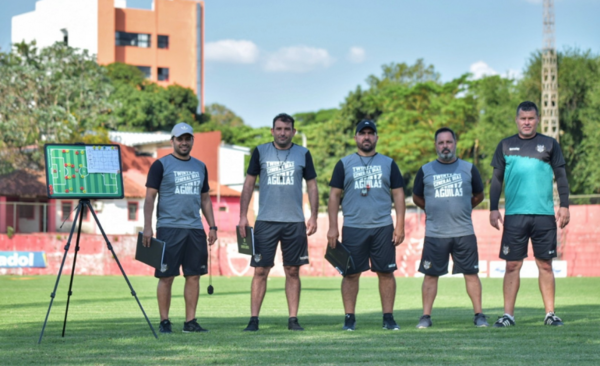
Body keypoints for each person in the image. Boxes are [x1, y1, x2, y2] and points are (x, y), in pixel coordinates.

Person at [489, 101, 570, 327]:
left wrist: (565, 205)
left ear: (538, 120)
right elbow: (496, 180)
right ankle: (508, 315)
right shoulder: (505, 145)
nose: (527, 122)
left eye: (531, 118)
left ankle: (550, 314)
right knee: (512, 265)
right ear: (516, 120)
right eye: (523, 118)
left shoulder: (549, 144)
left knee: (545, 265)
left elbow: (562, 177)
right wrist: (493, 208)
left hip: (544, 215)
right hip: (515, 216)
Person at [238, 113, 319, 332]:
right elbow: (248, 185)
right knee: (260, 271)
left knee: (293, 271)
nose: (283, 132)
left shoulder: (303, 153)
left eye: (287, 129)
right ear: (272, 131)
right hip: (265, 221)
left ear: (293, 131)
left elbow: (312, 185)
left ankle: (293, 319)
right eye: (279, 128)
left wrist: (313, 215)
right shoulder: (260, 151)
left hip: (294, 222)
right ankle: (254, 319)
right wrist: (243, 216)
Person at [327, 119, 406, 331]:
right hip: (353, 226)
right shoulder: (344, 164)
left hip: (382, 226)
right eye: (363, 133)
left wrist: (400, 225)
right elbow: (334, 196)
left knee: (386, 272)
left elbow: (398, 195)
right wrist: (333, 226)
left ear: (377, 137)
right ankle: (349, 318)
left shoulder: (389, 163)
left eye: (371, 133)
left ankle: (388, 318)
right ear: (356, 138)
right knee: (350, 274)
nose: (367, 137)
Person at [143, 122, 218, 334]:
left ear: (192, 140)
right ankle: (164, 321)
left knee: (194, 275)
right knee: (166, 276)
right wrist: (147, 227)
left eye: (187, 139)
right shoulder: (161, 165)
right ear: (172, 141)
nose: (184, 142)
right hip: (169, 228)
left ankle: (190, 322)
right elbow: (149, 198)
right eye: (180, 139)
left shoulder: (200, 166)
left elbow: (205, 199)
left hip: (195, 229)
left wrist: (212, 226)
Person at [412, 127, 488, 328]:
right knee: (430, 275)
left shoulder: (469, 168)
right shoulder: (425, 170)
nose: (445, 146)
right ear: (436, 145)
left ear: (455, 144)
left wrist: (463, 207)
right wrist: (432, 209)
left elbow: (479, 195)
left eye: (449, 142)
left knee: (471, 273)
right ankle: (426, 316)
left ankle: (479, 314)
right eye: (441, 143)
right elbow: (417, 197)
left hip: (464, 231)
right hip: (436, 233)